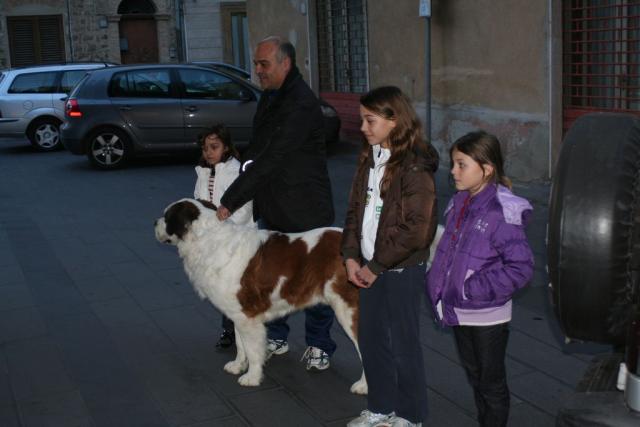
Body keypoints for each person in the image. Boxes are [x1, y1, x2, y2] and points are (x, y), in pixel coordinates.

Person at [217, 36, 337, 371]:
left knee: (314, 278)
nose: (257, 70)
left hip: (305, 208)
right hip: (273, 205)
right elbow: (258, 149)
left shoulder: (301, 103)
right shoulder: (271, 95)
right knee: (272, 275)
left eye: (264, 64)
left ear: (286, 63)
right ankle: (278, 336)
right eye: (256, 63)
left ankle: (319, 344)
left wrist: (230, 201)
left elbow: (274, 157)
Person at [342, 86, 438, 427]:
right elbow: (354, 211)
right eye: (362, 120)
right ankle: (381, 407)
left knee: (403, 343)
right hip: (370, 266)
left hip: (400, 270)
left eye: (370, 120)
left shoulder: (415, 167)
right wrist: (350, 255)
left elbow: (417, 230)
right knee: (371, 340)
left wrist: (377, 266)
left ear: (394, 120)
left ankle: (411, 415)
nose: (363, 128)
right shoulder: (370, 158)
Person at [426, 131, 534, 427]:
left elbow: (521, 267)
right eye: (453, 164)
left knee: (491, 383)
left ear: (486, 169)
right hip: (459, 309)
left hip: (487, 315)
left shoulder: (502, 211)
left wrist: (470, 288)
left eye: (461, 164)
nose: (453, 171)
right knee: (476, 377)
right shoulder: (461, 201)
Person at [193, 124, 255, 349]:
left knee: (235, 287)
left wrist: (225, 228)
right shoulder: (203, 172)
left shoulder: (236, 171)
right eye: (204, 148)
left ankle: (244, 331)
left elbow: (245, 207)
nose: (208, 152)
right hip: (214, 240)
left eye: (214, 147)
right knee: (222, 287)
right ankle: (229, 330)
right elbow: (199, 202)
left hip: (237, 239)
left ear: (226, 147)